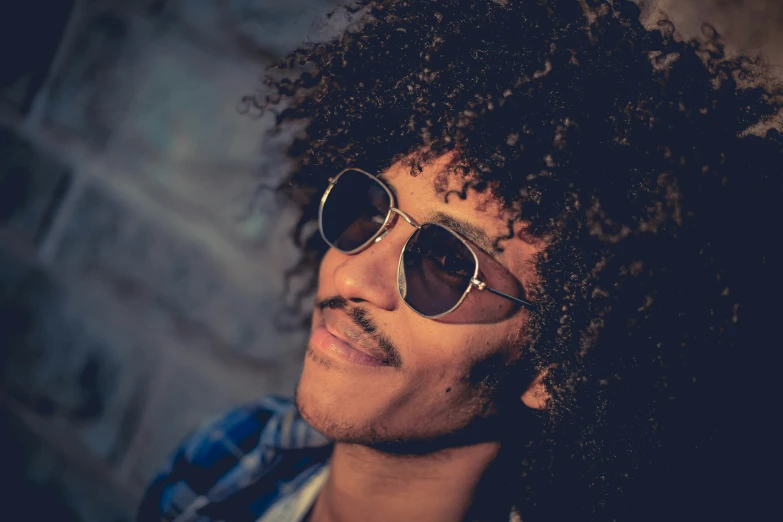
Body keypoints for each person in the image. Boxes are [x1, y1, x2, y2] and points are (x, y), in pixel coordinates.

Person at [136, 1, 783, 521]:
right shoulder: (231, 456)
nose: (351, 276)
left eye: (446, 264)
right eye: (368, 211)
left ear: (557, 370)